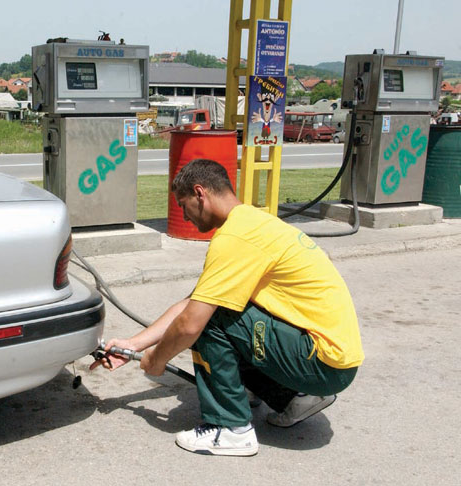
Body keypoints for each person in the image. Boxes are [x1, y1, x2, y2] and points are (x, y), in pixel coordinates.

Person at [96, 159, 363, 457]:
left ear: (200, 194)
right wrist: (133, 344)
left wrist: (157, 359)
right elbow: (193, 300)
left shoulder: (235, 237)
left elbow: (190, 324)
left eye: (184, 205)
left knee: (211, 321)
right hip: (333, 357)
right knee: (214, 309)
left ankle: (231, 428)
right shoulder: (251, 222)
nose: (185, 216)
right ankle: (293, 399)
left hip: (322, 363)